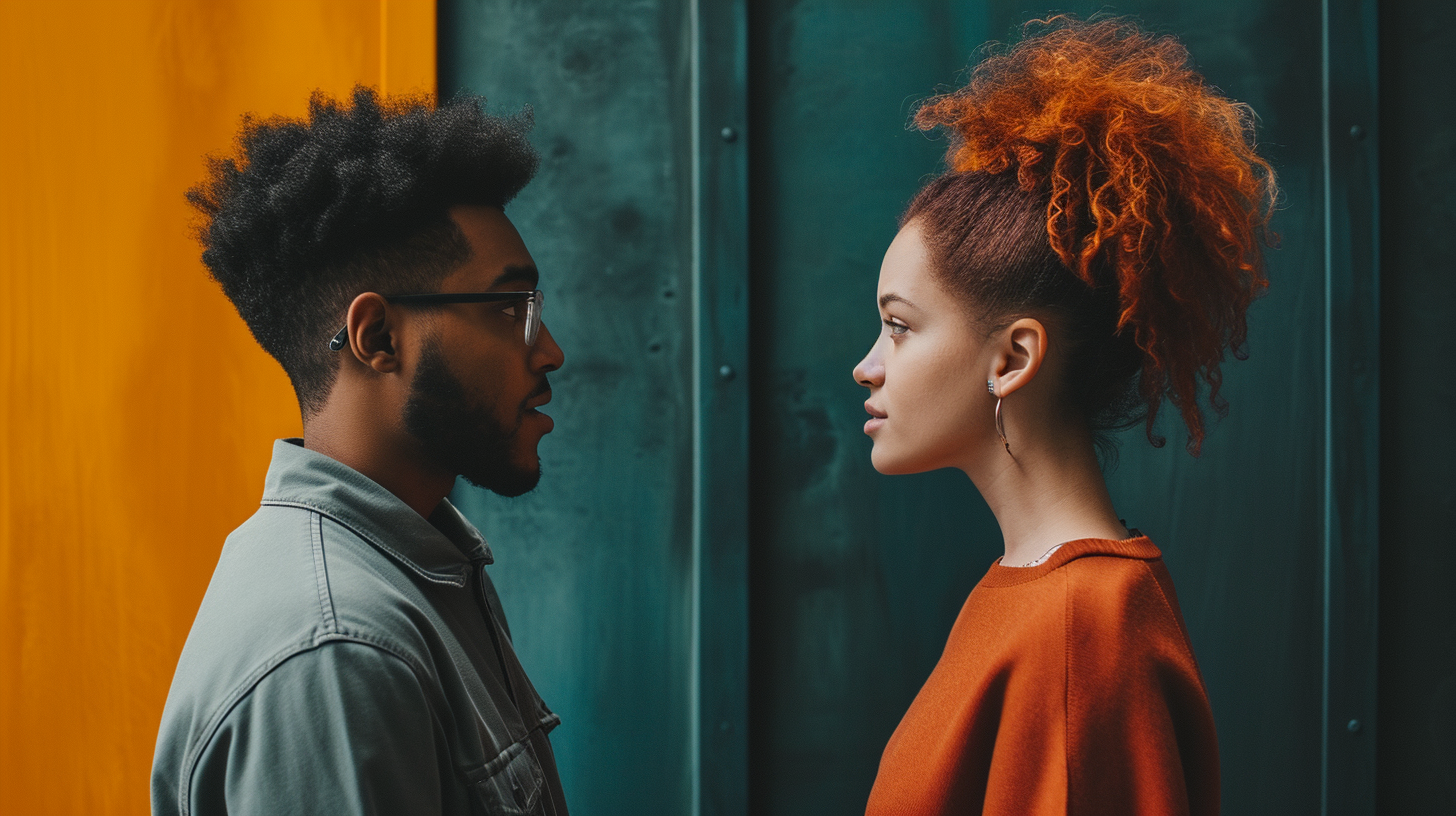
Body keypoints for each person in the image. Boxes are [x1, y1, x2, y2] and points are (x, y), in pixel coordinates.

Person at [854, 17, 1276, 816]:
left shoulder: (1086, 627)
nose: (866, 364)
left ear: (1012, 358)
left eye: (899, 326)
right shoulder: (1041, 598)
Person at [152, 87, 570, 816]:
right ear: (377, 338)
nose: (551, 352)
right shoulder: (338, 653)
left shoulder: (414, 571)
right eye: (511, 310)